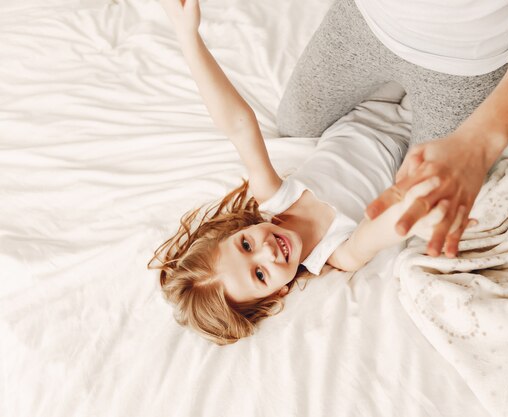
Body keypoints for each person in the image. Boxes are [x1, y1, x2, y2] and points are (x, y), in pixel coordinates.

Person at [150, 0, 456, 345]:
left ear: (237, 230)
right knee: (444, 63)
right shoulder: (335, 253)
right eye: (260, 273)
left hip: (369, 104)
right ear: (277, 294)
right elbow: (380, 231)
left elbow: (238, 126)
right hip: (416, 139)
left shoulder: (276, 198)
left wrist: (188, 36)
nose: (266, 250)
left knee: (409, 36)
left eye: (246, 244)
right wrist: (419, 216)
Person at [277, 0, 508, 259]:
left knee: (437, 186)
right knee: (294, 123)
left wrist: (482, 140)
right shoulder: (322, 249)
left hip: (465, 60)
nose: (269, 253)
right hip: (365, 19)